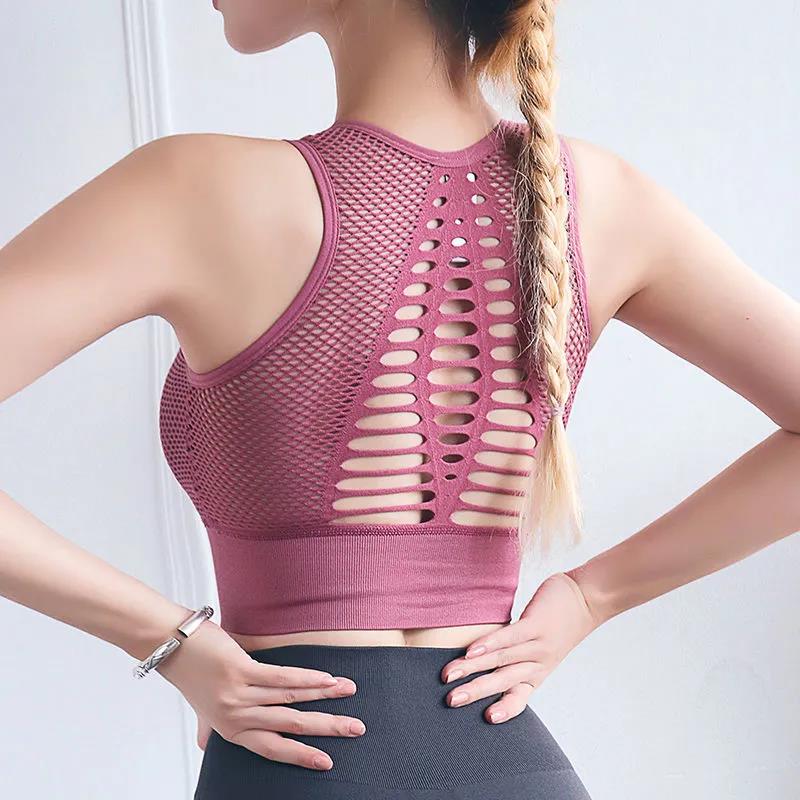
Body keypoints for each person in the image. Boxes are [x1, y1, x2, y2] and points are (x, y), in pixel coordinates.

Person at [1, 1, 798, 798]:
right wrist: (594, 596)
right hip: (512, 767)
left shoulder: (193, 189)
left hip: (298, 768)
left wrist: (167, 637)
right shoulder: (602, 199)